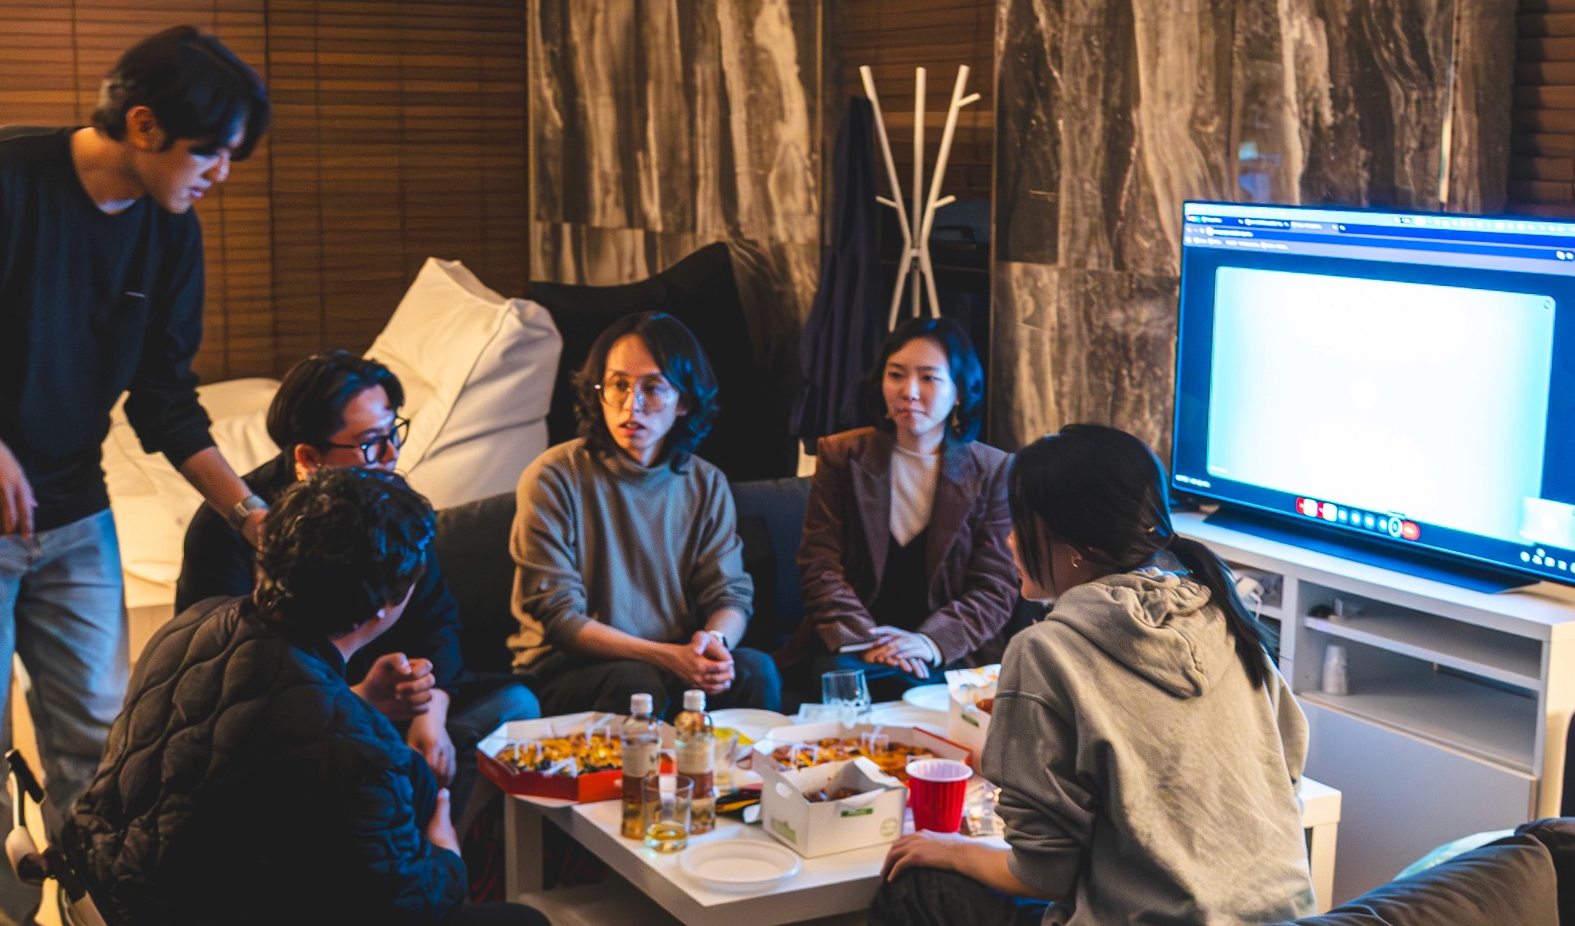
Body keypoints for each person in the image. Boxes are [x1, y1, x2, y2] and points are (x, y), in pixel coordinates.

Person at [0, 26, 269, 926]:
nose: (221, 175)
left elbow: (166, 401)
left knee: (100, 750)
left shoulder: (168, 231)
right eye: (210, 151)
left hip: (74, 516)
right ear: (143, 124)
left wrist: (252, 513)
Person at [60, 469, 557, 926]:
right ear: (385, 609)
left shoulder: (196, 626)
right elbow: (415, 899)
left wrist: (356, 700)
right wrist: (444, 837)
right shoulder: (350, 747)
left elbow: (259, 737)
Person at [858, 423, 1313, 926]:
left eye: (1019, 524)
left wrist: (949, 848)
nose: (1009, 540)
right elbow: (1287, 770)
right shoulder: (1225, 616)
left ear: (1073, 546)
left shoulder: (1047, 651)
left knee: (912, 890)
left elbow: (1043, 873)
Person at [175, 349, 536, 798]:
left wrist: (430, 710)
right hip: (292, 728)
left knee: (516, 706)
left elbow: (437, 623)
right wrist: (359, 699)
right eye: (370, 442)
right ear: (309, 457)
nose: (391, 454)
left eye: (394, 432)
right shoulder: (233, 528)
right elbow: (224, 685)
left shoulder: (391, 503)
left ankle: (437, 832)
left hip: (393, 710)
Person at [507, 312, 782, 716]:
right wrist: (667, 657)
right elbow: (560, 618)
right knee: (636, 682)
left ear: (683, 402)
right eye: (618, 385)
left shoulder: (706, 483)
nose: (630, 404)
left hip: (674, 657)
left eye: (652, 388)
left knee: (756, 672)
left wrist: (713, 644)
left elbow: (730, 595)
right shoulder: (553, 477)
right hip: (570, 666)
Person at [785, 317, 1019, 706]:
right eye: (896, 375)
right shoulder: (841, 455)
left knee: (923, 692)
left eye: (929, 378)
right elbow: (819, 566)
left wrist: (928, 643)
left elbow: (995, 586)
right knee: (849, 681)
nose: (909, 391)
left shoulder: (993, 470)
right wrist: (868, 642)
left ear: (960, 392)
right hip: (853, 646)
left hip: (947, 652)